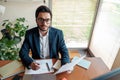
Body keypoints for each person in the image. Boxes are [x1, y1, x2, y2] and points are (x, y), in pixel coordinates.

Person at [19, 5, 70, 70]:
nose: (44, 23)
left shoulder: (58, 33)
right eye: (41, 19)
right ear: (36, 20)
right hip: (36, 65)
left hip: (53, 64)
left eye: (47, 20)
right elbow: (23, 52)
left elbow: (64, 50)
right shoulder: (29, 34)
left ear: (50, 20)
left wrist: (66, 63)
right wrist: (30, 63)